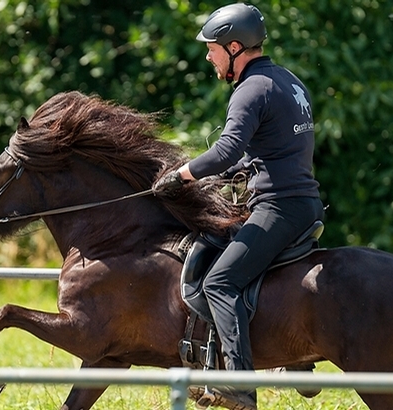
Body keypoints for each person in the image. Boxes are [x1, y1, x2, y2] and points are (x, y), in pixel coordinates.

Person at [153, 3, 325, 407]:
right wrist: (232, 172)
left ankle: (239, 387)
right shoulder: (287, 81)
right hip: (303, 202)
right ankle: (294, 358)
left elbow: (228, 149)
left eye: (212, 48)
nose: (209, 56)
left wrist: (181, 175)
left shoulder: (250, 88)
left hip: (279, 207)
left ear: (234, 47)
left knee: (220, 282)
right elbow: (273, 149)